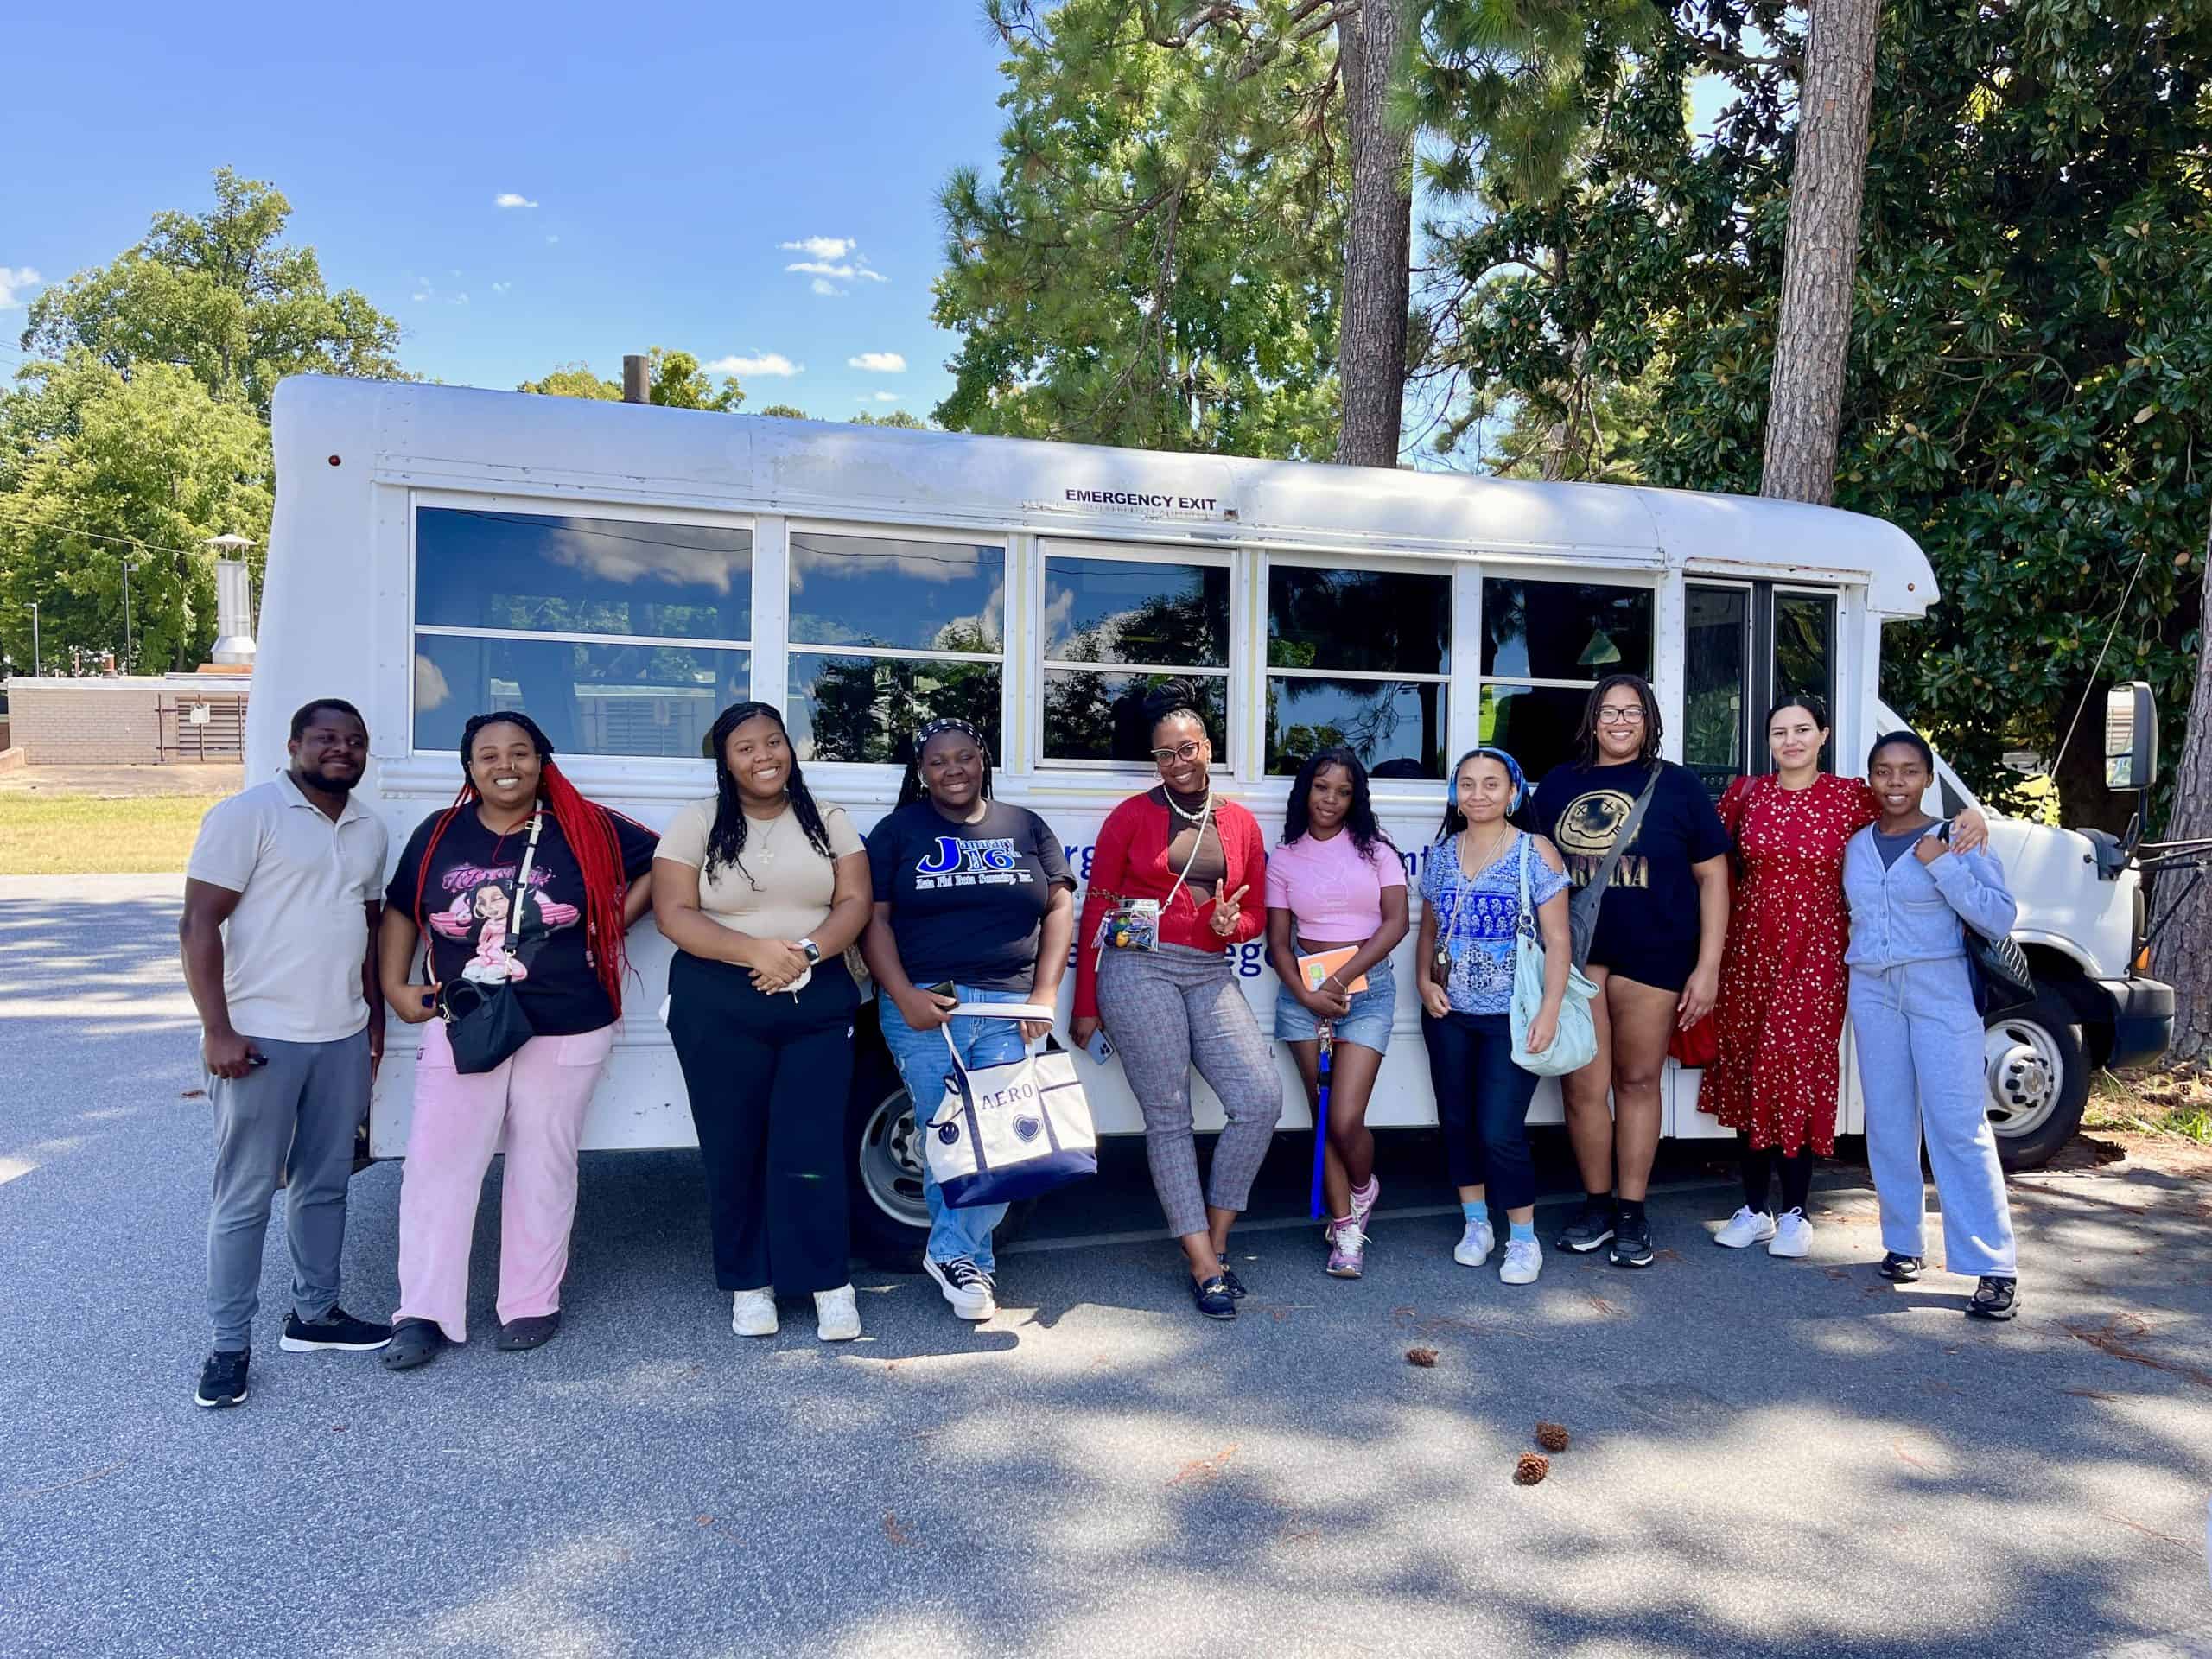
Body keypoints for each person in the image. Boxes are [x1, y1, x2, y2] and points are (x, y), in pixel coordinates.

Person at [376, 713, 660, 1370]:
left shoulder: (586, 826)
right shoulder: (440, 832)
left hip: (567, 1021)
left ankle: (530, 1301)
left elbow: (669, 863)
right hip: (467, 1019)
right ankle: (423, 1311)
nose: (506, 764)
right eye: (489, 755)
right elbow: (399, 907)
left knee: (544, 1163)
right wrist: (395, 988)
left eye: (520, 752)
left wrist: (610, 924)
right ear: (469, 767)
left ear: (542, 758)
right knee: (438, 1167)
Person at [1699, 699, 1987, 1256]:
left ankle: (1797, 1211)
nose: (1791, 740)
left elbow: (1912, 812)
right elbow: (1708, 858)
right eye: (1780, 731)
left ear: (1823, 735)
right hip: (1750, 948)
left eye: (1802, 730)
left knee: (1796, 1068)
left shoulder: (1849, 795)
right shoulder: (1747, 796)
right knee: (1751, 1066)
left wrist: (1973, 817)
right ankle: (1754, 1206)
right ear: (1768, 739)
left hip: (1819, 952)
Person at [179, 698, 392, 1408]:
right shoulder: (250, 814)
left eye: (354, 741)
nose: (342, 750)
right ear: (294, 743)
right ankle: (228, 1345)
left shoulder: (369, 828)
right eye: (326, 738)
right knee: (243, 1197)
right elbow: (199, 923)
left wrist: (372, 1022)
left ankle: (315, 1314)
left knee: (325, 1183)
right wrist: (217, 1029)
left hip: (339, 1034)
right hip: (260, 1038)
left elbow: (365, 928)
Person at [654, 701, 874, 1341]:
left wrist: (803, 953)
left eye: (773, 742)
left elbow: (855, 900)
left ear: (790, 747)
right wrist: (757, 952)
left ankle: (828, 1281)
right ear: (725, 760)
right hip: (718, 999)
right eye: (745, 747)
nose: (763, 757)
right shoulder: (698, 821)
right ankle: (750, 1284)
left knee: (812, 1145)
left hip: (815, 996)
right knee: (733, 1146)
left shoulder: (827, 818)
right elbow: (673, 911)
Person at [1071, 688, 1279, 1320]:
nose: (1177, 762)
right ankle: (1202, 1263)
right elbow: (1098, 910)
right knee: (1169, 1116)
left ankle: (1213, 1243)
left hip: (1209, 969)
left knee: (1259, 1099)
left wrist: (1230, 928)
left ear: (1207, 748)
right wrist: (1086, 1002)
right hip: (1138, 969)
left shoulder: (1240, 821)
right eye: (1164, 755)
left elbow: (1256, 915)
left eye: (1186, 749)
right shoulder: (1130, 817)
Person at [861, 718, 1077, 1321]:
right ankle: (969, 1263)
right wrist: (901, 993)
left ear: (983, 760)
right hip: (929, 1005)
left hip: (1008, 1004)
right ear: (922, 772)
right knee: (946, 1135)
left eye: (964, 757)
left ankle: (953, 1253)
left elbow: (1059, 906)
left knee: (1002, 1143)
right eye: (937, 762)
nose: (952, 769)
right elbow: (874, 921)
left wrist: (1047, 992)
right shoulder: (898, 832)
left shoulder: (1024, 826)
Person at [1531, 673, 1732, 1268]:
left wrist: (1709, 966)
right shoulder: (1561, 784)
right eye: (1610, 711)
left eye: (1633, 711)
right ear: (1592, 719)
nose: (1620, 721)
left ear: (1650, 721)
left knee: (1639, 1082)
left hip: (1657, 955)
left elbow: (1714, 877)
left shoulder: (1679, 786)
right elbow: (1535, 868)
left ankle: (1631, 1212)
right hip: (1578, 955)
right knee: (1582, 1087)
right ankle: (1595, 1205)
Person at [1845, 731, 2021, 1320]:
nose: (1896, 783)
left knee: (1956, 1123)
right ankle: (1903, 1243)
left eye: (1909, 771)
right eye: (1884, 771)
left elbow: (1997, 916)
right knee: (1890, 1120)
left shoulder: (1956, 836)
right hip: (1873, 990)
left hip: (1940, 990)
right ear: (1871, 778)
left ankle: (1993, 1265)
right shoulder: (1857, 844)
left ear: (1927, 778)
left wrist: (1945, 865)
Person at [1413, 747, 1573, 1286]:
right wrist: (1423, 983)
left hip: (1514, 1014)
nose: (1477, 795)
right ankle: (1476, 1223)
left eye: (1491, 785)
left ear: (1513, 793)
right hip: (1449, 1013)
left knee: (1499, 1129)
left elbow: (1557, 940)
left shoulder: (1536, 853)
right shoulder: (1440, 854)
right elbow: (1429, 932)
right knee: (1456, 1121)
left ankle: (1524, 1238)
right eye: (1467, 784)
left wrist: (1549, 1010)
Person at [1262, 747, 1408, 1278]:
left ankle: (1365, 1188)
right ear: (1306, 790)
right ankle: (1346, 1233)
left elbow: (1396, 925)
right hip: (1305, 992)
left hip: (1365, 992)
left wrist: (1339, 981)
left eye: (1343, 792)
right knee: (1322, 1115)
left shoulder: (1377, 852)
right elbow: (1278, 942)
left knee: (1346, 1119)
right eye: (1322, 788)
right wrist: (1307, 994)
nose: (1330, 800)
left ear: (1356, 799)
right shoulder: (1285, 857)